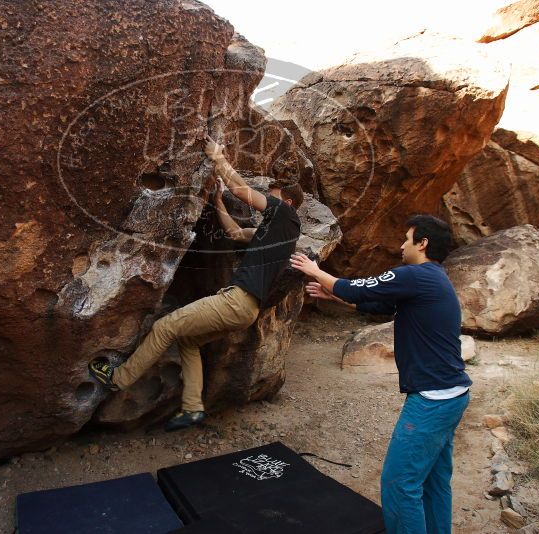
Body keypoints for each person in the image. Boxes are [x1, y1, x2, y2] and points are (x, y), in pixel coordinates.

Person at [89, 136, 303, 431]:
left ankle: (119, 378)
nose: (267, 199)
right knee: (188, 341)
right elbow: (235, 233)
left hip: (236, 300)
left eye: (273, 196)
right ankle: (192, 408)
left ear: (288, 202)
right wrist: (217, 202)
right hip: (245, 311)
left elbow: (242, 190)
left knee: (165, 327)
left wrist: (218, 157)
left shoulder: (286, 214)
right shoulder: (277, 233)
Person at [289, 214, 472, 534]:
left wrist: (315, 270)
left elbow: (358, 288)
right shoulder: (434, 279)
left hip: (432, 399)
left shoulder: (416, 275)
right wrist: (337, 297)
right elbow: (381, 306)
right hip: (452, 393)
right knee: (433, 481)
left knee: (399, 484)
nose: (401, 245)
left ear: (423, 243)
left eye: (407, 238)